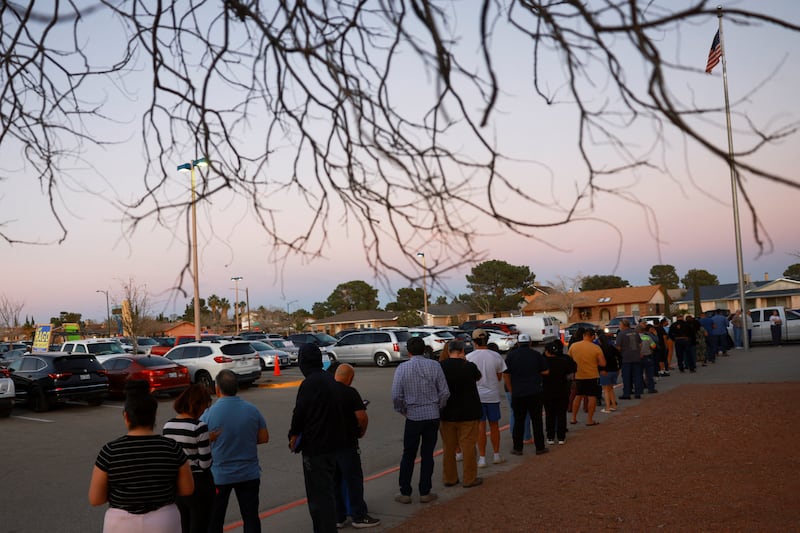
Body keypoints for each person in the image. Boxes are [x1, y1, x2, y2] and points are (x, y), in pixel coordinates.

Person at [89, 380, 194, 533]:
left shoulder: (110, 451)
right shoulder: (172, 447)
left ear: (126, 416)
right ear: (154, 415)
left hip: (121, 524)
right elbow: (187, 489)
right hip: (164, 521)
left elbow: (95, 498)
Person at [289, 344, 348, 532]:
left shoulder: (309, 384)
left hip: (316, 449)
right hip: (332, 445)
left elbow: (299, 413)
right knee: (327, 493)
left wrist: (293, 435)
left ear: (303, 362)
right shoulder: (329, 379)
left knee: (318, 499)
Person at [202, 370, 269, 533]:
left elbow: (201, 440)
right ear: (236, 388)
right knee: (251, 517)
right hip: (248, 473)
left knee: (215, 519)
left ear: (217, 389)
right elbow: (264, 438)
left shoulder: (208, 414)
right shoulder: (252, 410)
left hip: (219, 475)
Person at [391, 336, 450, 504]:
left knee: (408, 454)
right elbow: (445, 392)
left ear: (408, 351)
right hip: (432, 415)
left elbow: (396, 395)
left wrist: (403, 410)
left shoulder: (402, 368)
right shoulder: (435, 365)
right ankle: (425, 491)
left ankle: (405, 492)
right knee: (427, 454)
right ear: (424, 350)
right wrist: (437, 407)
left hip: (413, 416)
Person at [332, 363, 381, 529]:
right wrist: (361, 432)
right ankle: (358, 516)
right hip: (347, 443)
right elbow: (362, 417)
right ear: (350, 378)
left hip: (329, 444)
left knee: (335, 481)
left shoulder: (324, 391)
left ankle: (338, 517)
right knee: (353, 480)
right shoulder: (350, 392)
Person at [163, 384, 215, 533]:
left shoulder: (168, 426)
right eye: (204, 407)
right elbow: (205, 464)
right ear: (197, 404)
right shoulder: (199, 427)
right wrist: (207, 441)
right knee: (200, 526)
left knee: (183, 525)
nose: (204, 411)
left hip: (178, 483)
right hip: (199, 484)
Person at [438, 340, 483, 488]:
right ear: (462, 351)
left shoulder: (440, 366)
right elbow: (478, 377)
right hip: (469, 412)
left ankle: (449, 478)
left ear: (448, 351)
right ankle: (469, 478)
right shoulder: (468, 366)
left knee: (449, 447)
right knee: (468, 445)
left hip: (447, 412)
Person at [504, 333, 550, 456]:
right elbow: (546, 371)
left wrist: (511, 389)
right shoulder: (536, 355)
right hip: (534, 392)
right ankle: (540, 447)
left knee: (519, 421)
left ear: (518, 343)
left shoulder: (511, 356)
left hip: (518, 393)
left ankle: (517, 448)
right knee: (537, 420)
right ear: (530, 343)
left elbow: (506, 374)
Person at [466, 329, 507, 467]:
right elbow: (499, 376)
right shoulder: (496, 356)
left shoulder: (469, 357)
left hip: (477, 397)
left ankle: (482, 458)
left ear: (474, 341)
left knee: (480, 427)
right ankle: (496, 454)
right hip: (493, 395)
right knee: (494, 426)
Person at [568, 329, 605, 425]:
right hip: (592, 375)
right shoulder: (595, 348)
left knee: (578, 396)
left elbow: (569, 360)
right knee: (591, 397)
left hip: (579, 375)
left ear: (583, 335)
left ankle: (573, 418)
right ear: (593, 336)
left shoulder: (574, 346)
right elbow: (603, 363)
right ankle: (589, 420)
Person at [541, 339, 576, 445]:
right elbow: (571, 374)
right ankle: (561, 437)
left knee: (549, 414)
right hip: (562, 390)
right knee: (561, 413)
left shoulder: (543, 362)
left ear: (547, 351)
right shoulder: (564, 361)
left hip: (547, 391)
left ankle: (550, 437)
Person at [615, 319, 643, 399]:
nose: (619, 326)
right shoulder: (635, 333)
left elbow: (618, 347)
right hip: (636, 357)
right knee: (637, 376)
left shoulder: (621, 334)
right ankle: (638, 393)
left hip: (626, 358)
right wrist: (638, 352)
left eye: (620, 325)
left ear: (623, 325)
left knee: (626, 376)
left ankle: (627, 393)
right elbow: (640, 344)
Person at [595, 331, 620, 414]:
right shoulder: (612, 347)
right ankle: (614, 405)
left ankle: (608, 407)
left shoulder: (600, 349)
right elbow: (619, 356)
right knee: (610, 388)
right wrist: (619, 367)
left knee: (605, 389)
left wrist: (601, 369)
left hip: (605, 371)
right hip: (614, 370)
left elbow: (599, 361)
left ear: (600, 341)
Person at [638, 323, 658, 394]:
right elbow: (653, 346)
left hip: (638, 357)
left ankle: (640, 389)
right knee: (649, 374)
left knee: (639, 374)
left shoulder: (634, 337)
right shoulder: (647, 337)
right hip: (647, 356)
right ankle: (651, 389)